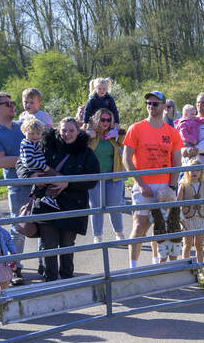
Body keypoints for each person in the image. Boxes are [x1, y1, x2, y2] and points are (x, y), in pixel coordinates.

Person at [26, 118, 98, 280]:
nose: (67, 134)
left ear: (78, 131)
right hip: (46, 202)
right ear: (58, 130)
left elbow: (93, 179)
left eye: (71, 130)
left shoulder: (86, 153)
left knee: (66, 245)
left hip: (72, 206)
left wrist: (68, 183)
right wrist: (29, 175)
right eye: (64, 130)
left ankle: (66, 279)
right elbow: (23, 162)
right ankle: (51, 281)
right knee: (49, 245)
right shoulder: (46, 146)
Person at [122, 91, 183, 269]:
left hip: (164, 185)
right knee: (140, 225)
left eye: (155, 104)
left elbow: (177, 161)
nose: (151, 106)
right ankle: (133, 267)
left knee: (161, 226)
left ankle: (156, 264)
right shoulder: (136, 128)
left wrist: (171, 186)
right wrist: (140, 184)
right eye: (148, 103)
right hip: (143, 185)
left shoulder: (172, 132)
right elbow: (127, 159)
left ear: (164, 106)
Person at [0, 91, 30, 284]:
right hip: (17, 186)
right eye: (7, 103)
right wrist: (29, 160)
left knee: (45, 223)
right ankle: (15, 266)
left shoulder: (23, 126)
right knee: (18, 227)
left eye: (12, 102)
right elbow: (1, 161)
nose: (12, 106)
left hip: (39, 183)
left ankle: (47, 264)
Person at [86, 108, 126, 243]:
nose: (105, 122)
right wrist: (86, 135)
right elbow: (79, 146)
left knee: (114, 205)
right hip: (94, 177)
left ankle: (119, 232)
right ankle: (97, 235)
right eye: (103, 119)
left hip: (113, 175)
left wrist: (118, 133)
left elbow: (124, 141)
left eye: (108, 120)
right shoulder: (91, 134)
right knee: (96, 206)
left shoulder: (113, 134)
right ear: (97, 120)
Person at [18, 119, 65, 211]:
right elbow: (29, 160)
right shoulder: (28, 144)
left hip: (37, 167)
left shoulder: (34, 143)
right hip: (35, 169)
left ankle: (48, 198)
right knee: (55, 180)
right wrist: (44, 166)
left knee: (48, 182)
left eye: (38, 133)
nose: (35, 136)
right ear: (24, 132)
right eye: (31, 133)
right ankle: (49, 198)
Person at [177, 166, 204, 264]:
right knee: (187, 245)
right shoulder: (183, 185)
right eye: (192, 170)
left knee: (199, 245)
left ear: (201, 171)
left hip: (201, 219)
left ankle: (200, 270)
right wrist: (181, 221)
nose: (194, 172)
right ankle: (185, 269)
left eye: (197, 170)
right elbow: (177, 205)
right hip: (187, 219)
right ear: (187, 172)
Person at [150, 187, 182, 263]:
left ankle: (172, 271)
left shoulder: (176, 210)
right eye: (164, 201)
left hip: (175, 236)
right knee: (162, 257)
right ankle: (162, 271)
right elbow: (150, 221)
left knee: (173, 257)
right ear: (159, 201)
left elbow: (182, 220)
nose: (166, 203)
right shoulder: (156, 211)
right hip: (162, 238)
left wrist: (188, 229)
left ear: (173, 200)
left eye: (169, 201)